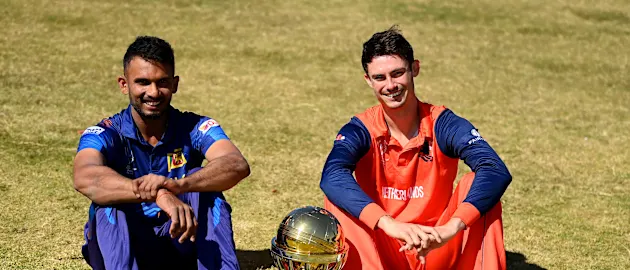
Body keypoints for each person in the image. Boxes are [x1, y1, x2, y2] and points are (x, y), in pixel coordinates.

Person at [320, 26, 512, 270]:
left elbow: (495, 169)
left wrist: (451, 228)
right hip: (384, 249)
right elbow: (332, 177)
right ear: (368, 81)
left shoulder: (442, 123)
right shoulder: (361, 129)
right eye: (380, 78)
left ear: (415, 69)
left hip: (437, 246)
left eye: (398, 73)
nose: (390, 85)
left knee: (480, 186)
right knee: (337, 195)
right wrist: (389, 224)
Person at [73, 36, 250, 270]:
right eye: (143, 82)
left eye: (162, 82)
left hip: (181, 239)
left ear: (175, 84)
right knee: (108, 203)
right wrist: (157, 194)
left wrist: (180, 184)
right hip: (128, 245)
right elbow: (84, 176)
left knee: (207, 190)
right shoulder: (105, 132)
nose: (153, 92)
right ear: (124, 84)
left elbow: (236, 164)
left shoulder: (194, 126)